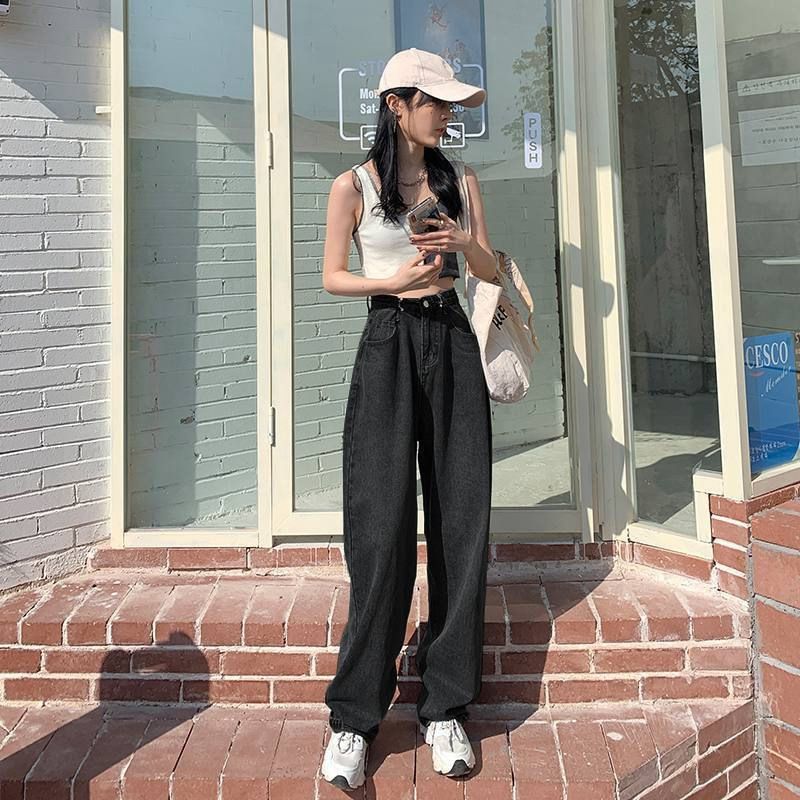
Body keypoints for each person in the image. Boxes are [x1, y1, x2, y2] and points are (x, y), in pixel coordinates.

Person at [319, 47, 498, 791]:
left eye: (451, 104)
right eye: (436, 103)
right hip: (389, 340)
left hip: (451, 339)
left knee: (461, 521)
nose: (447, 116)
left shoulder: (460, 180)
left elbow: (490, 269)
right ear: (397, 104)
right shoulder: (353, 185)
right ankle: (354, 718)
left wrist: (463, 243)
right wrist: (390, 280)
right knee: (379, 529)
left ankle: (445, 706)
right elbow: (331, 275)